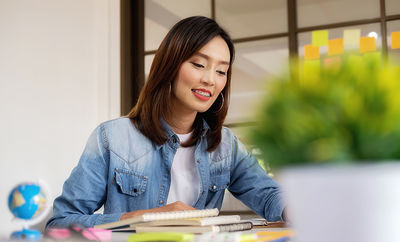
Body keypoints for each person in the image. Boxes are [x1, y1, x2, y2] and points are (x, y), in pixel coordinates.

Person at [46, 16, 286, 229]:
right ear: (169, 65)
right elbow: (61, 223)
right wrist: (147, 217)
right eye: (199, 64)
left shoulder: (226, 145)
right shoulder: (112, 138)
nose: (210, 80)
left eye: (221, 71)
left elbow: (268, 195)